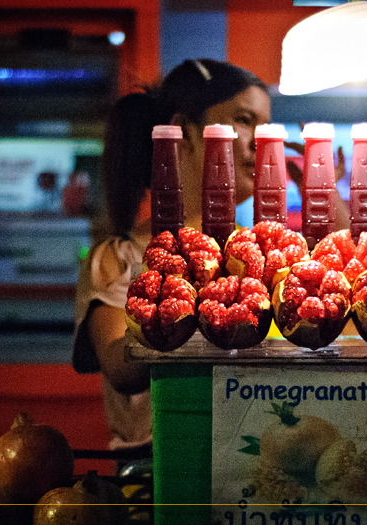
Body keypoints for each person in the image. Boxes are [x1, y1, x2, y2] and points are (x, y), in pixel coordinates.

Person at [72, 59, 271, 453]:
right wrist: (189, 299)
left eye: (267, 127)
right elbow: (120, 368)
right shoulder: (121, 257)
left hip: (245, 464)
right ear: (183, 132)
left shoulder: (253, 254)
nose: (258, 142)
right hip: (153, 478)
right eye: (244, 120)